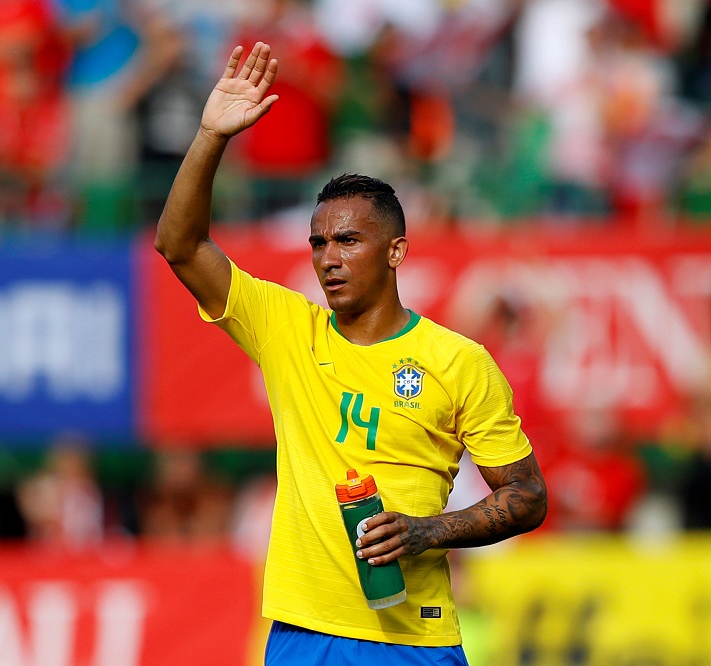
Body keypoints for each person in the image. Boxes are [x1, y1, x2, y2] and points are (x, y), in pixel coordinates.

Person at [153, 42, 548, 665]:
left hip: (409, 638)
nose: (328, 258)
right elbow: (179, 245)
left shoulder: (457, 361)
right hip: (301, 634)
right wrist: (210, 136)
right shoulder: (287, 328)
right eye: (317, 243)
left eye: (348, 241)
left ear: (395, 251)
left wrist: (426, 532)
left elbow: (527, 496)